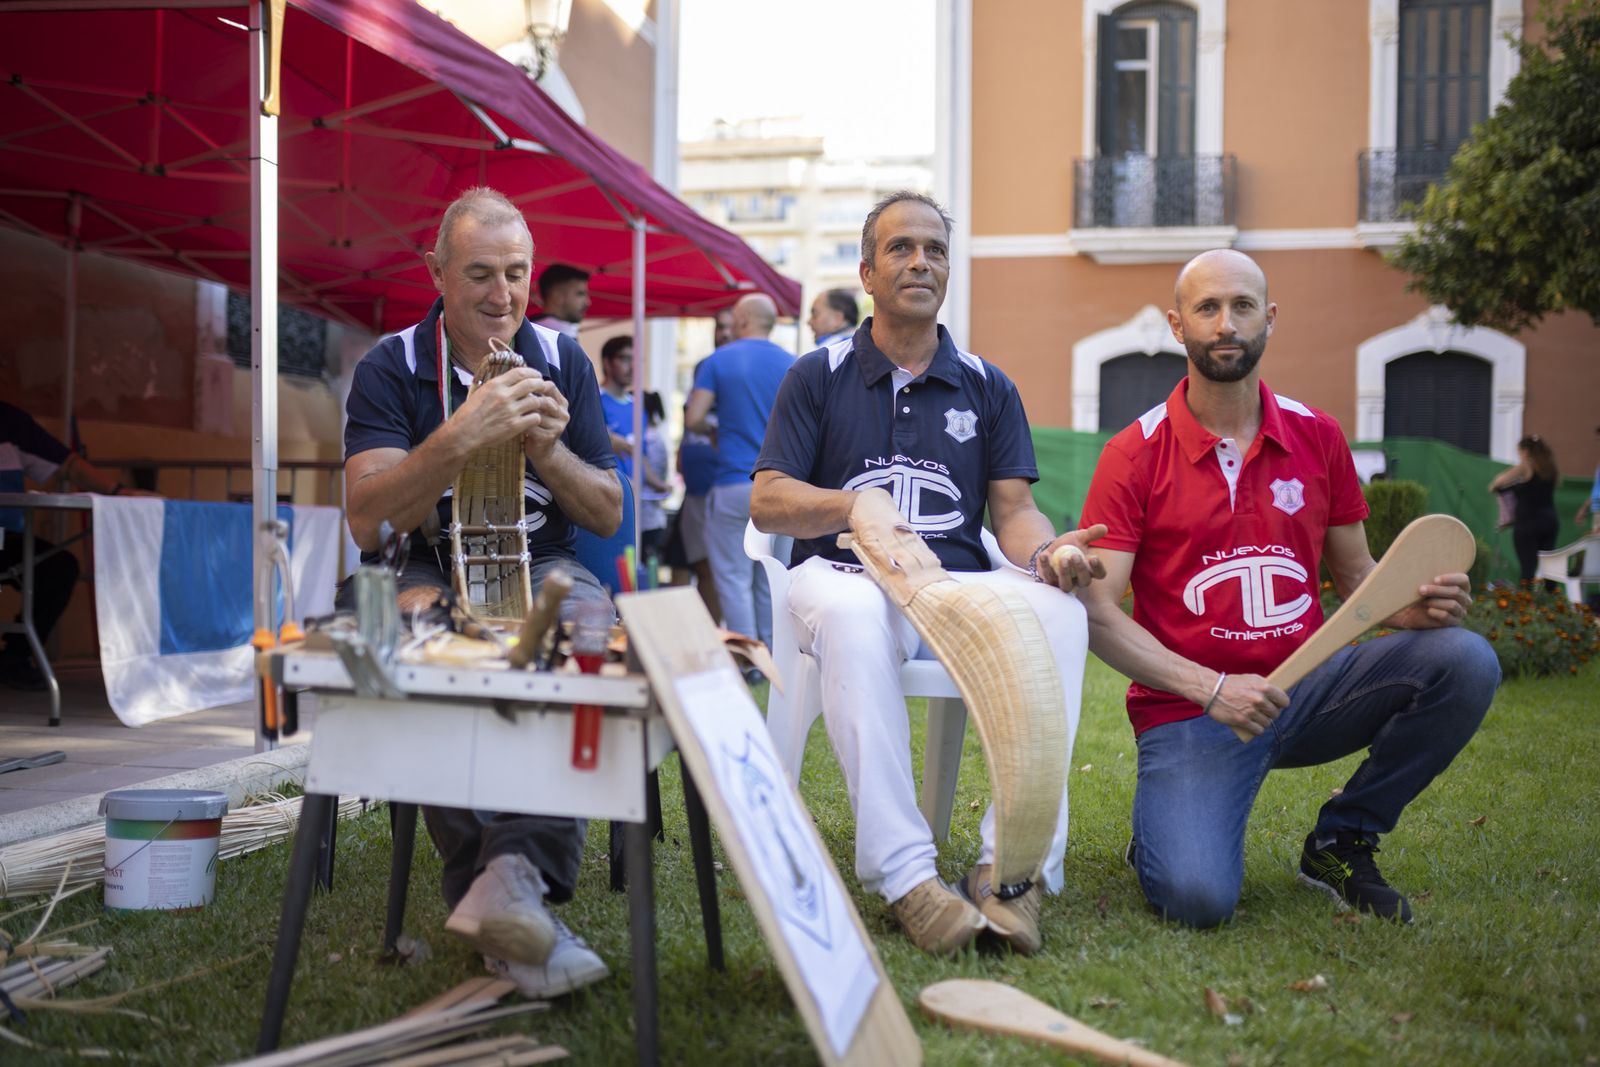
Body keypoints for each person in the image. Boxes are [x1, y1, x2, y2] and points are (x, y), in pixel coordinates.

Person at [1076, 249, 1501, 929]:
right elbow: (1097, 614)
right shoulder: (1134, 452)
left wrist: (1413, 609)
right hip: (1193, 709)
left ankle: (1342, 838)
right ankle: (1162, 836)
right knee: (1197, 898)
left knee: (1464, 659)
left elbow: (1358, 577)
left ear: (1269, 318)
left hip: (1307, 689)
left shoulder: (1317, 434)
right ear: (1177, 324)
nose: (1226, 324)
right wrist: (1211, 688)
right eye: (1207, 308)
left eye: (1242, 306)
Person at [749, 192, 1105, 957]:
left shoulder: (986, 383)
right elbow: (769, 499)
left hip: (953, 584)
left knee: (1063, 613)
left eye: (936, 249)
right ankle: (907, 876)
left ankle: (1010, 871)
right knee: (851, 613)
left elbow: (1012, 512)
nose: (921, 261)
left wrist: (1048, 556)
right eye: (902, 248)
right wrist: (853, 506)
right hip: (842, 577)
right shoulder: (818, 373)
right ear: (868, 271)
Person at [341, 186, 622, 998]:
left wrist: (547, 450)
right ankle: (507, 896)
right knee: (426, 651)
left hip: (550, 562)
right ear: (435, 272)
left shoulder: (564, 356)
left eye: (517, 272)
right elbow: (366, 520)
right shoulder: (390, 366)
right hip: (431, 560)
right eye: (479, 275)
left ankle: (504, 878)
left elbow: (606, 507)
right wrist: (464, 431)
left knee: (585, 644)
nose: (503, 296)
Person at [0, 402, 144, 689]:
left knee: (59, 568)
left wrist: (120, 492)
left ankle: (15, 657)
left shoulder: (8, 420)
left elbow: (68, 464)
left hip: (7, 538)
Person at [686, 293, 794, 649]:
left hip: (733, 482)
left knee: (732, 577)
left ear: (743, 320)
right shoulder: (793, 364)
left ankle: (749, 658)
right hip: (782, 486)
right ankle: (775, 653)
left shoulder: (718, 361)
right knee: (770, 577)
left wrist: (714, 432)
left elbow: (693, 418)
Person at [1490, 435, 1561, 585]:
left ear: (1526, 452)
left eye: (1519, 452)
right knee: (1550, 569)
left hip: (1528, 523)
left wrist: (1516, 480)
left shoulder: (1526, 466)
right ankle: (1552, 603)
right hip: (1550, 522)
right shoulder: (1550, 467)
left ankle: (1525, 604)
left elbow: (1498, 482)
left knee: (1528, 568)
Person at [530, 263, 590, 339]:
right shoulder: (555, 336)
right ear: (557, 297)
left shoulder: (529, 331)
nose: (588, 302)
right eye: (580, 294)